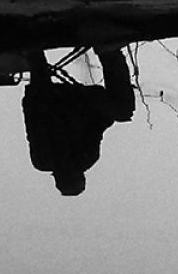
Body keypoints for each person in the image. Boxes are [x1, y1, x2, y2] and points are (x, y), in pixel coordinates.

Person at [22, 47, 135, 196]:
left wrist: (108, 118)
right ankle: (34, 54)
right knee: (41, 97)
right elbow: (32, 124)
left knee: (122, 110)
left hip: (67, 101)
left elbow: (95, 128)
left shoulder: (84, 159)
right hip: (48, 97)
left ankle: (109, 50)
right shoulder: (41, 161)